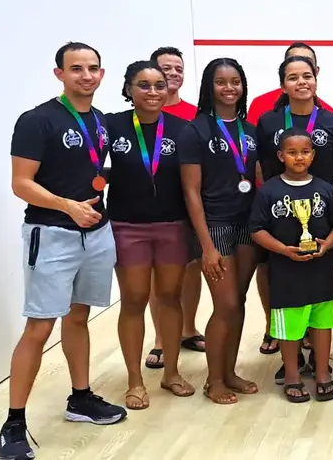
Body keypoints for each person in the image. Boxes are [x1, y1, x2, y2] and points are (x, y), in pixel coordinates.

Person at [0, 43, 125, 460]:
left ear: (102, 74)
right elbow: (22, 183)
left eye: (92, 69)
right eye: (76, 69)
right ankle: (13, 423)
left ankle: (81, 398)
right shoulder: (37, 120)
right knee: (39, 326)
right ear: (59, 74)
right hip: (51, 234)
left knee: (79, 316)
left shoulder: (102, 122)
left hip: (96, 232)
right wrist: (67, 205)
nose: (85, 76)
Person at [105, 61, 195, 410]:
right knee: (134, 299)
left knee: (171, 298)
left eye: (159, 85)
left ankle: (171, 373)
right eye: (144, 85)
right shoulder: (111, 124)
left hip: (173, 227)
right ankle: (135, 381)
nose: (154, 92)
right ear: (128, 89)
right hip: (127, 228)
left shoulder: (182, 128)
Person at [254, 56, 333, 361]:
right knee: (283, 281)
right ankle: (288, 355)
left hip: (318, 210)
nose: (301, 82)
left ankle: (316, 350)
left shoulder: (332, 120)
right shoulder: (268, 121)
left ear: (316, 79)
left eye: (307, 76)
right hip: (279, 212)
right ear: (283, 84)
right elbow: (262, 164)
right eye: (293, 77)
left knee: (318, 281)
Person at [178, 58, 260, 405]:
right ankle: (214, 380)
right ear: (209, 87)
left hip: (246, 225)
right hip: (214, 226)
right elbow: (191, 193)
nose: (230, 88)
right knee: (225, 304)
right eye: (221, 82)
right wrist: (207, 246)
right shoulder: (194, 130)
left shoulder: (250, 131)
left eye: (235, 82)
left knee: (237, 303)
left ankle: (229, 372)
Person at [248, 129, 333, 403]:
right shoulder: (269, 190)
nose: (299, 157)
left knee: (322, 322)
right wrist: (283, 250)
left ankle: (322, 374)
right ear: (281, 156)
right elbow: (256, 229)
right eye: (292, 152)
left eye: (305, 152)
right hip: (285, 273)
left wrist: (328, 245)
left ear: (313, 155)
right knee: (289, 328)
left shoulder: (325, 188)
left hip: (321, 271)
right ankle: (292, 376)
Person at [146, 47, 205, 364]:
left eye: (178, 68)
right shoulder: (140, 114)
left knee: (191, 269)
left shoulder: (195, 115)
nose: (172, 73)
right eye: (165, 67)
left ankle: (188, 329)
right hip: (156, 210)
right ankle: (159, 338)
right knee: (160, 276)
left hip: (190, 206)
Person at [245, 43, 333, 125]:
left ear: (316, 71)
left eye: (307, 62)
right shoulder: (260, 104)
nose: (300, 64)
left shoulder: (330, 114)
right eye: (293, 60)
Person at [152, 47, 198, 120]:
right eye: (166, 68)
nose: (174, 73)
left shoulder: (196, 114)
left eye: (179, 70)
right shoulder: (144, 112)